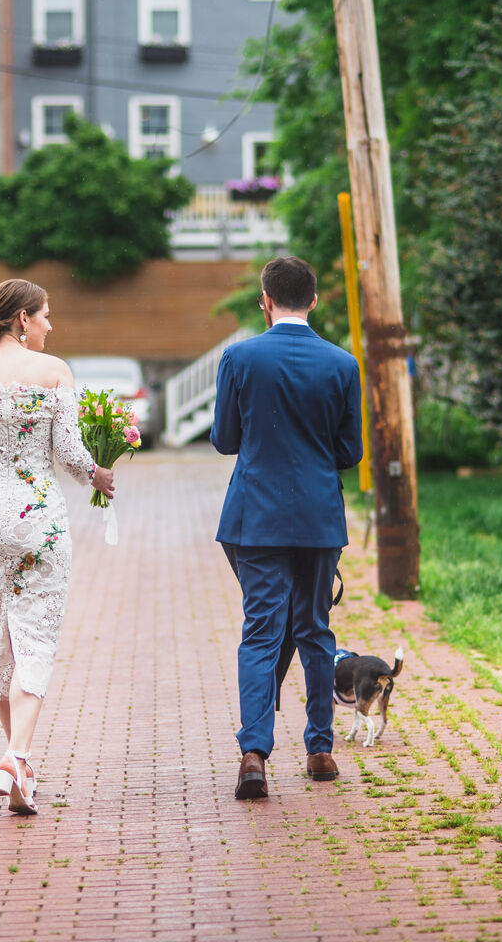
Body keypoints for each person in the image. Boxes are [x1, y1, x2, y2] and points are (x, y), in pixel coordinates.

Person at [0, 278, 115, 815]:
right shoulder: (54, 372)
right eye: (44, 316)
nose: (49, 326)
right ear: (22, 319)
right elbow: (67, 452)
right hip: (39, 520)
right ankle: (15, 756)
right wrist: (99, 476)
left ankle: (21, 766)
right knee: (34, 638)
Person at [211, 255, 364, 800]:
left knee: (261, 630)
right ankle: (320, 749)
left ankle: (254, 751)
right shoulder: (342, 364)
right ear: (315, 300)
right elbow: (350, 450)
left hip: (255, 516)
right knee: (315, 629)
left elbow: (225, 439)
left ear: (266, 301)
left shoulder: (240, 357)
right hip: (319, 517)